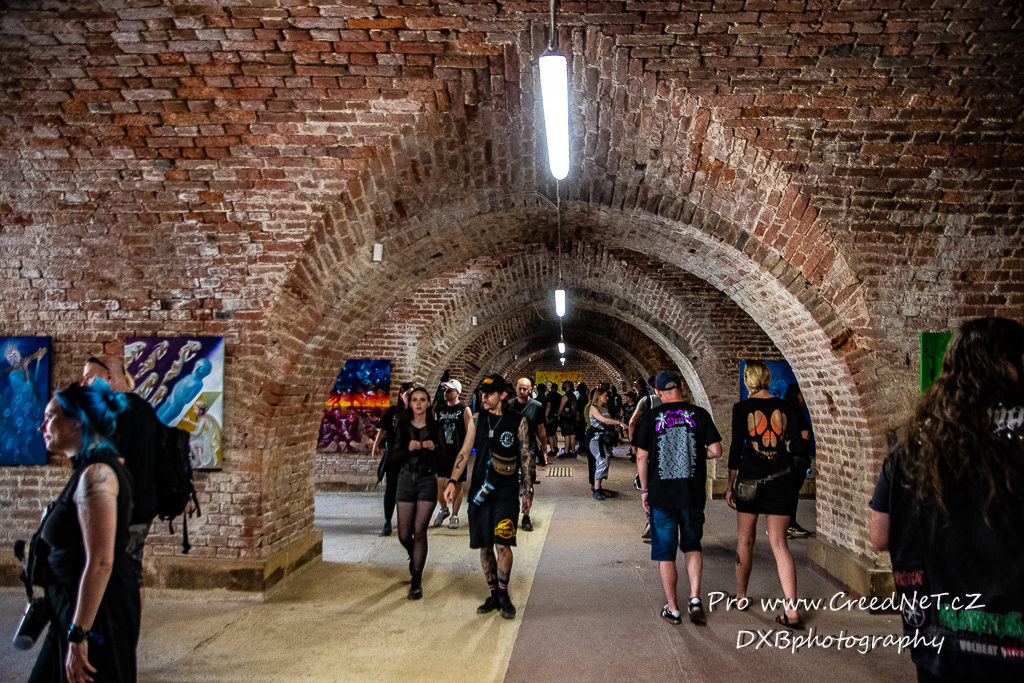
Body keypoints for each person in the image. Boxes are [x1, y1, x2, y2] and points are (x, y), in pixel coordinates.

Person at [869, 317, 1024, 682]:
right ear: (1006, 365)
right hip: (1012, 637)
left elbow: (880, 535)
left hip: (940, 635)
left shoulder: (913, 444)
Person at [30, 382, 141, 683]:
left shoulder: (98, 474)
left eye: (50, 417)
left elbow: (102, 561)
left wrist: (79, 636)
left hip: (95, 616)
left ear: (77, 420)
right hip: (71, 608)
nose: (41, 426)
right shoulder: (87, 470)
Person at [633, 370, 722, 625]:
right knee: (692, 546)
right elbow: (716, 450)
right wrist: (693, 453)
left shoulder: (650, 418)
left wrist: (645, 490)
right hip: (692, 494)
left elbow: (641, 457)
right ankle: (695, 599)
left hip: (661, 495)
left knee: (666, 552)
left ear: (658, 392)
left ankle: (672, 608)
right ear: (682, 385)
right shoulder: (700, 415)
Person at [725, 360, 808, 628]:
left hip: (749, 479)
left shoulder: (741, 409)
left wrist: (730, 484)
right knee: (780, 544)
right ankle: (792, 609)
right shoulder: (785, 407)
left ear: (747, 380)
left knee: (745, 540)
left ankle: (741, 596)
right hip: (780, 479)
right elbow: (799, 446)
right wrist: (784, 445)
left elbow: (736, 447)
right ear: (768, 379)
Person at [445, 375, 534, 619]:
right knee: (485, 547)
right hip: (479, 493)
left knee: (503, 543)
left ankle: (504, 595)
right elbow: (465, 452)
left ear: (503, 394)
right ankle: (493, 594)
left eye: (489, 393)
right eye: (482, 393)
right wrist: (452, 480)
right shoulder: (476, 419)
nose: (483, 397)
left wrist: (527, 491)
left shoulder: (518, 421)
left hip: (506, 492)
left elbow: (525, 457)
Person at [82, 354, 160, 612]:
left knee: (119, 572)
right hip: (143, 504)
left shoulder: (118, 410)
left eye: (89, 377)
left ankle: (122, 630)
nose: (84, 384)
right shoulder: (144, 408)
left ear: (108, 377)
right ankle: (130, 630)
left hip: (124, 508)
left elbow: (114, 464)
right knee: (132, 571)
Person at [390, 387, 439, 600]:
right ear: (410, 403)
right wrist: (407, 448)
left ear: (428, 403)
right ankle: (413, 553)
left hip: (427, 479)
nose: (418, 403)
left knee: (419, 531)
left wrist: (434, 447)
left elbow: (446, 455)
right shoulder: (402, 425)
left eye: (422, 399)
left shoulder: (436, 427)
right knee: (404, 535)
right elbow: (393, 456)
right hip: (405, 478)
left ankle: (416, 580)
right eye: (415, 400)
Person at [371, 382, 414, 536]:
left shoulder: (418, 413)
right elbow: (383, 429)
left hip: (412, 458)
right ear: (401, 396)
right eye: (408, 395)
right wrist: (376, 445)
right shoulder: (393, 412)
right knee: (391, 489)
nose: (410, 398)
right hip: (395, 457)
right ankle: (387, 521)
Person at [507, 377, 548, 532]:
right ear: (515, 388)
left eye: (525, 389)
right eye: (520, 388)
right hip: (510, 448)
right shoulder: (508, 406)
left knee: (528, 481)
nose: (522, 392)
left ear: (531, 390)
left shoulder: (536, 406)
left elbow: (541, 430)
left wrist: (544, 450)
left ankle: (526, 515)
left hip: (528, 448)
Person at [432, 379, 472, 530]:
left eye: (449, 390)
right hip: (442, 452)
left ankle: (454, 515)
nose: (446, 393)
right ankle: (444, 509)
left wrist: (466, 451)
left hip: (457, 451)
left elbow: (469, 432)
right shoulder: (440, 410)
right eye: (445, 390)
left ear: (457, 393)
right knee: (439, 482)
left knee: (457, 484)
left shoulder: (464, 409)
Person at [585, 385, 627, 500]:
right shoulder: (593, 408)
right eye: (605, 396)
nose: (608, 398)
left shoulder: (604, 408)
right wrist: (619, 423)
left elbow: (607, 423)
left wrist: (616, 436)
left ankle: (599, 486)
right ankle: (596, 488)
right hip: (595, 438)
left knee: (606, 459)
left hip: (604, 437)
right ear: (599, 396)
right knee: (601, 460)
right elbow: (604, 420)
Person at [782, 383, 813, 538]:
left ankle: (789, 523)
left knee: (793, 493)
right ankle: (784, 526)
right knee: (790, 493)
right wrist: (799, 436)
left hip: (799, 459)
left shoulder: (797, 412)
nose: (804, 397)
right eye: (801, 393)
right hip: (792, 459)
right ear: (795, 395)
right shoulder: (789, 412)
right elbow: (781, 434)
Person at [557, 381, 577, 458]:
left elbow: (560, 408)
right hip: (573, 418)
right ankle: (573, 451)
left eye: (564, 384)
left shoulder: (565, 397)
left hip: (565, 418)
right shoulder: (574, 396)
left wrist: (559, 415)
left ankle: (566, 452)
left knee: (566, 435)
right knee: (572, 434)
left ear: (567, 385)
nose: (562, 386)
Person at [543, 382, 561, 460]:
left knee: (550, 433)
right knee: (554, 432)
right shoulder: (559, 396)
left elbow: (548, 406)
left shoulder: (549, 395)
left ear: (551, 388)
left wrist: (546, 416)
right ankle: (556, 446)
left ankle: (552, 449)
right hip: (557, 416)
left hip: (550, 416)